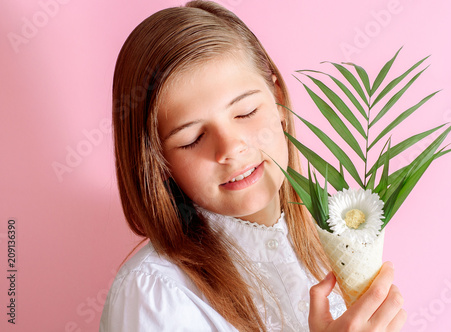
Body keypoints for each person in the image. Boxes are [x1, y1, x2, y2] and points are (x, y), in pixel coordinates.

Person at [99, 1, 406, 331]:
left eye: (245, 112)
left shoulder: (330, 248)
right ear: (158, 162)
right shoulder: (155, 294)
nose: (231, 148)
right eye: (192, 137)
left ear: (278, 100)